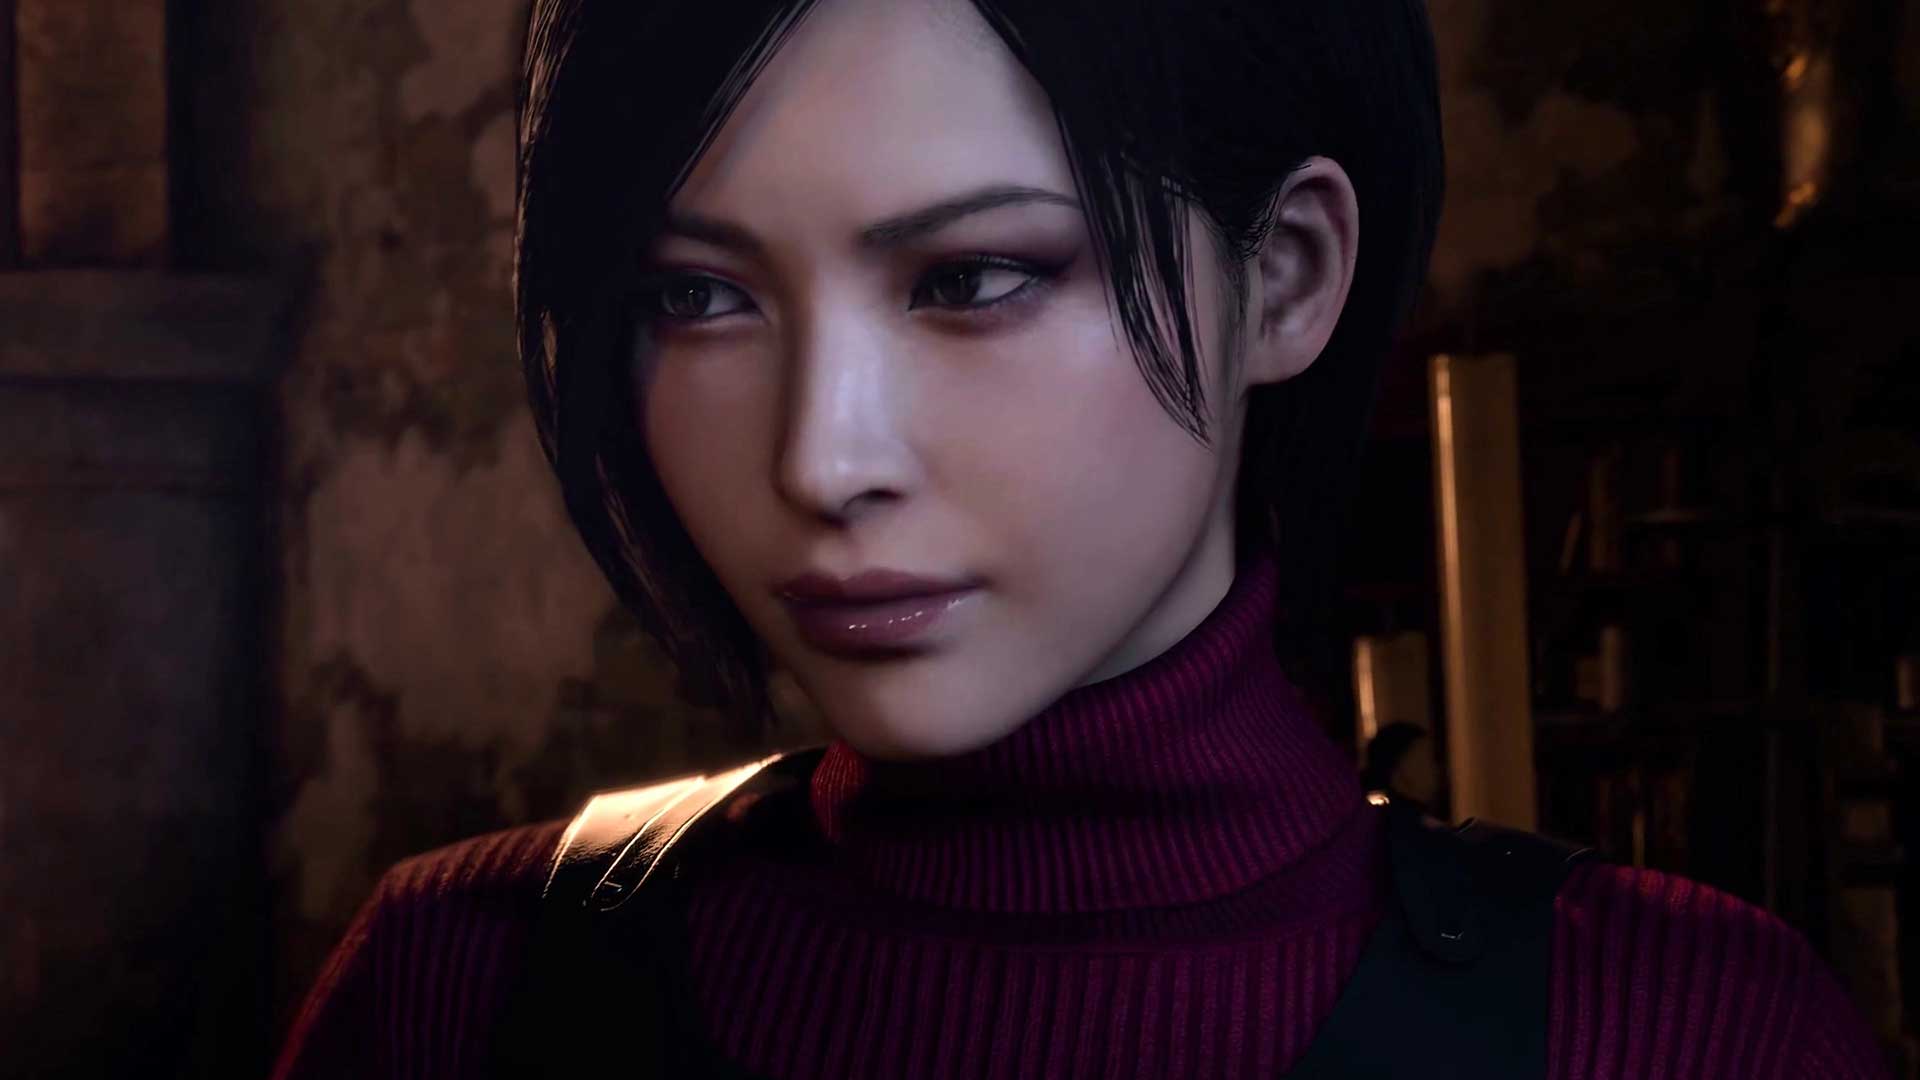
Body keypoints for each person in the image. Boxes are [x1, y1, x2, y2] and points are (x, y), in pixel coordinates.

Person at [272, 0, 1891, 1076]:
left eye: (971, 278)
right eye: (696, 296)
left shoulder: (1676, 1032)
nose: (823, 458)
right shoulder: (456, 992)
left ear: (1287, 275)